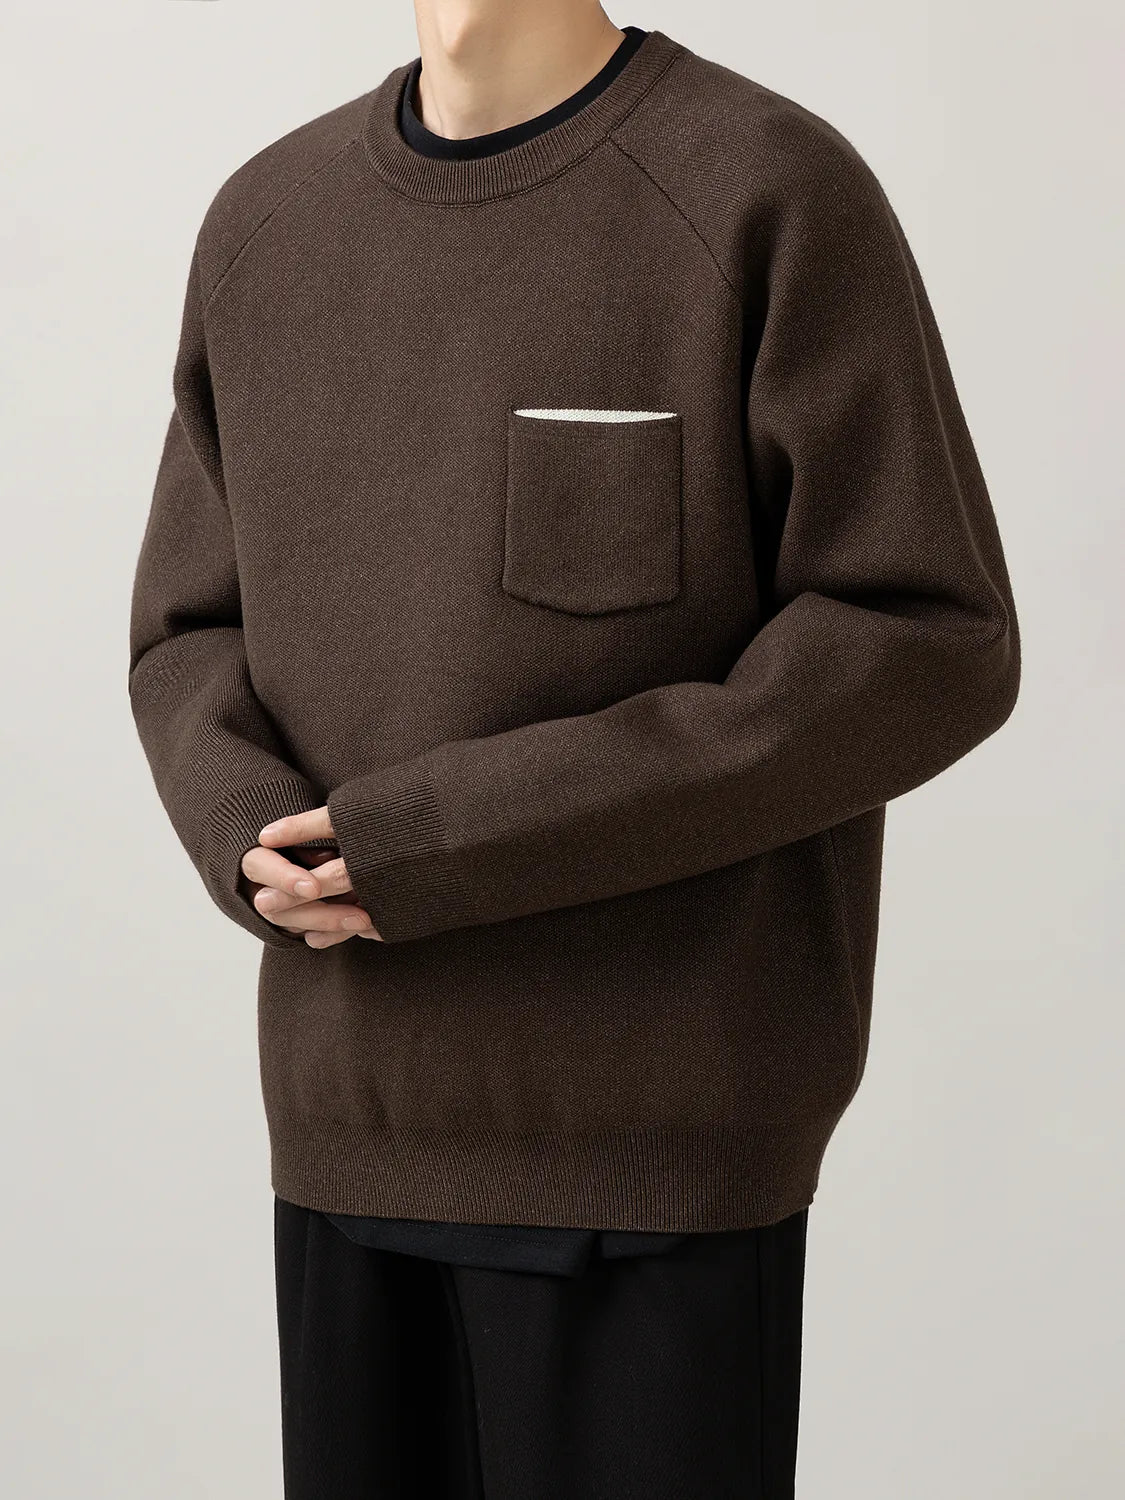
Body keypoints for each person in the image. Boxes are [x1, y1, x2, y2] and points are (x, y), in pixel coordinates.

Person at [127, 2, 1020, 1494]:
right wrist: (244, 824)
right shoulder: (268, 222)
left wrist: (443, 841)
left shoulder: (761, 184)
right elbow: (187, 628)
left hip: (652, 1148)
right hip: (348, 1115)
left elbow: (921, 641)